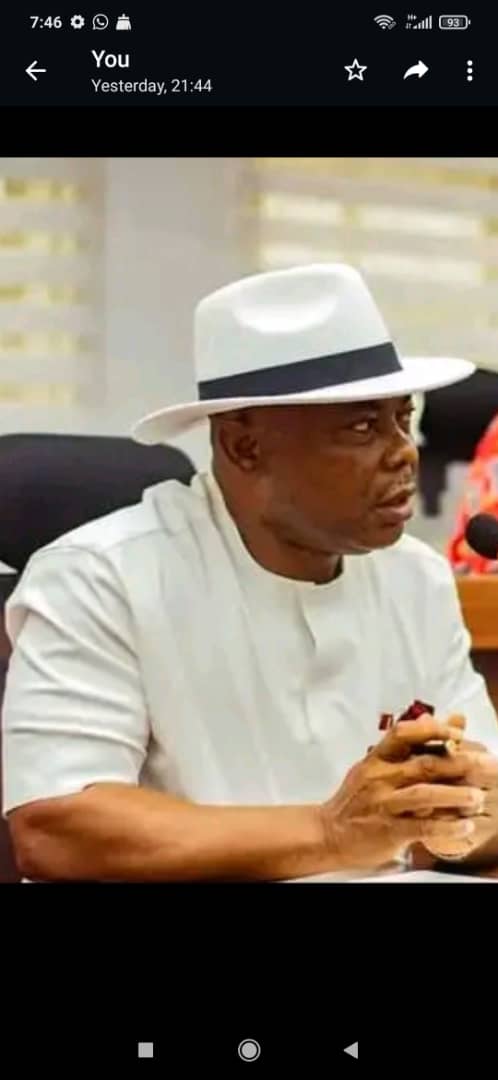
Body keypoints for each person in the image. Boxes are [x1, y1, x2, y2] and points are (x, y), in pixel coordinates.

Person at [2, 263, 498, 882]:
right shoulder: (99, 578)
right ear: (245, 446)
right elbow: (56, 827)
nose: (403, 452)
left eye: (405, 418)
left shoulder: (416, 578)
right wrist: (331, 833)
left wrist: (461, 816)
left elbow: (479, 803)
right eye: (363, 426)